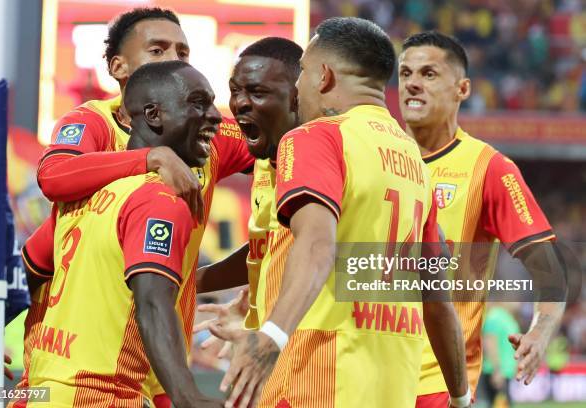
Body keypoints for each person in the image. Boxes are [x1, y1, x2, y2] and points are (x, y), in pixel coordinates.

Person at [221, 17, 469, 408]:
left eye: (302, 72)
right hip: (393, 388)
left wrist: (272, 334)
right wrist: (460, 396)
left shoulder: (316, 137)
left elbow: (318, 243)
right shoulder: (414, 162)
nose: (298, 88)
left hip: (315, 381)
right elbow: (437, 295)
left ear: (323, 76)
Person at [15, 7, 253, 407]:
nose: (174, 61)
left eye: (183, 52)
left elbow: (290, 165)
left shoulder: (205, 133)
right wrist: (152, 158)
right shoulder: (95, 125)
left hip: (144, 369)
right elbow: (54, 178)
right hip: (95, 375)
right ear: (118, 66)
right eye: (158, 50)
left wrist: (201, 280)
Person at [397, 31, 566, 407]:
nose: (412, 83)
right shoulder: (373, 152)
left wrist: (539, 331)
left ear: (462, 89)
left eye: (428, 74)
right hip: (366, 377)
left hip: (438, 387)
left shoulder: (489, 169)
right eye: (405, 73)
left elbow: (550, 270)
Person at [196, 37, 303, 334]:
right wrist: (186, 283)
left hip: (317, 361)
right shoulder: (267, 158)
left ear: (298, 96)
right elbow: (266, 249)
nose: (240, 103)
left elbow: (324, 251)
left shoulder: (323, 157)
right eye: (234, 91)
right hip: (275, 354)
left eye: (257, 92)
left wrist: (274, 333)